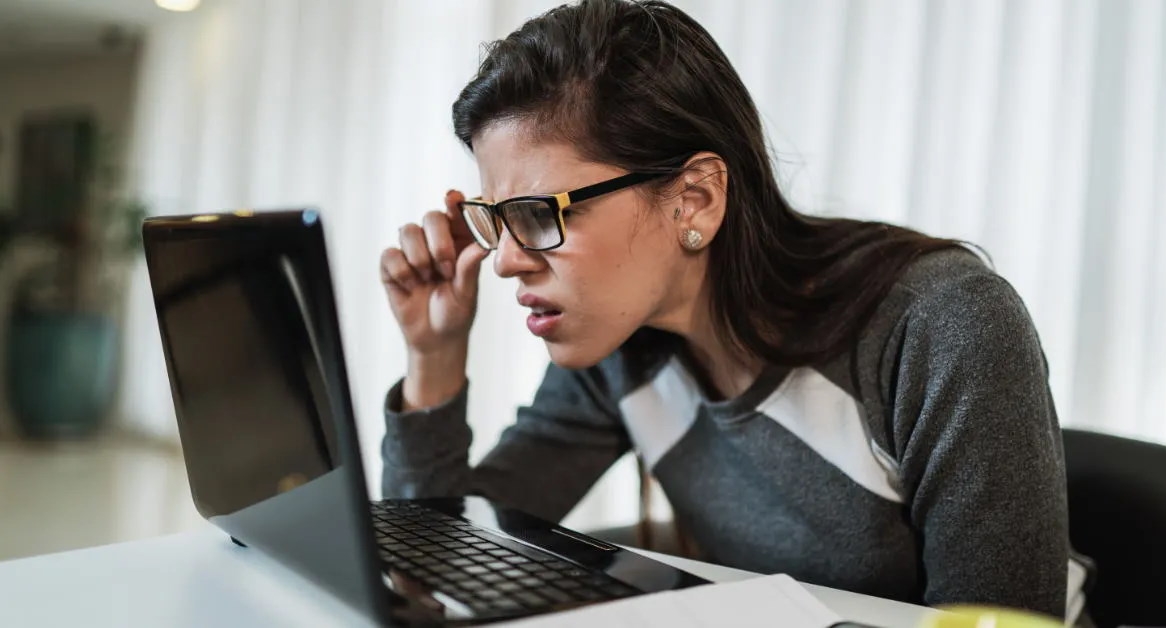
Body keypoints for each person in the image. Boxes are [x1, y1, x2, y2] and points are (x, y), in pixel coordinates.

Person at [378, 0, 1089, 621]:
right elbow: (437, 563)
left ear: (695, 200)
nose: (505, 260)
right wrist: (433, 359)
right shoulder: (618, 349)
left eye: (538, 214)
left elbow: (997, 625)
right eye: (495, 219)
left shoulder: (941, 325)